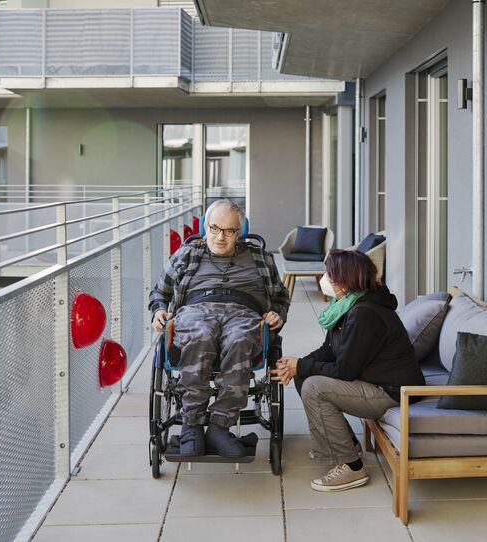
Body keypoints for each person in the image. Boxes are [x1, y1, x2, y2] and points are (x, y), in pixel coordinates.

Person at [272, 249, 424, 491]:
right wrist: (296, 365)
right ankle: (345, 445)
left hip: (390, 391)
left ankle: (352, 467)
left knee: (314, 386)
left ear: (344, 280)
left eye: (330, 275)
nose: (325, 279)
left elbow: (345, 371)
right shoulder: (348, 305)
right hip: (372, 380)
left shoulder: (365, 314)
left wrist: (301, 366)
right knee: (305, 376)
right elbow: (329, 350)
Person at [149, 199, 289, 458]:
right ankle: (191, 426)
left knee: (239, 339)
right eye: (214, 228)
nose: (220, 237)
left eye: (229, 231)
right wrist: (158, 310)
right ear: (205, 226)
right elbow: (160, 292)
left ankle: (219, 426)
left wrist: (277, 314)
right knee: (200, 335)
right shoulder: (187, 254)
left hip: (243, 312)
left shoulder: (260, 258)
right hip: (196, 311)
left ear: (239, 231)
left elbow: (281, 297)